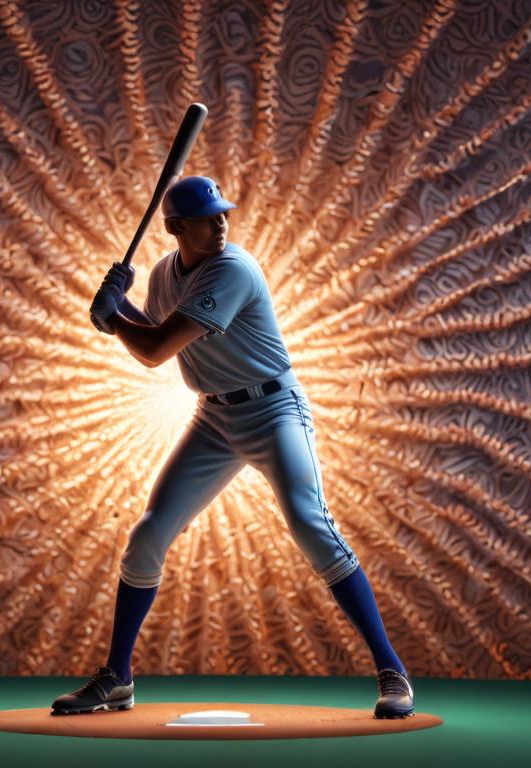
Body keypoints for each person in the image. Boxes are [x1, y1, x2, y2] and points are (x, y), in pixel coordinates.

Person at [52, 176, 414, 719]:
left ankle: (392, 671)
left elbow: (152, 350)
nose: (221, 224)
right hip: (215, 420)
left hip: (274, 411)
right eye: (206, 218)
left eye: (223, 214)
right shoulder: (162, 273)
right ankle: (118, 677)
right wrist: (120, 305)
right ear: (175, 228)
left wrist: (112, 317)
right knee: (148, 534)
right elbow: (156, 327)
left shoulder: (233, 269)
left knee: (309, 523)